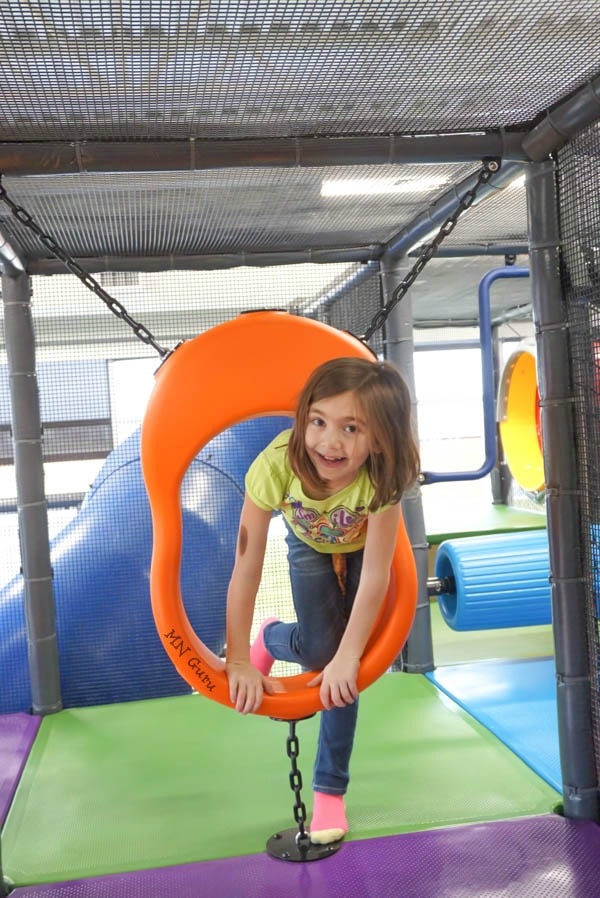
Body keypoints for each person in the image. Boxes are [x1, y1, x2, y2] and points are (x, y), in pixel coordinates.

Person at [225, 356, 420, 844]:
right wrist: (238, 659)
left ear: (379, 438)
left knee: (341, 668)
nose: (329, 442)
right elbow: (246, 567)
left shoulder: (383, 474)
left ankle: (330, 790)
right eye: (318, 421)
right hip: (308, 542)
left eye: (351, 428)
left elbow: (376, 573)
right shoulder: (275, 466)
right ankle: (271, 637)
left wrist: (350, 655)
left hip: (359, 549)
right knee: (318, 651)